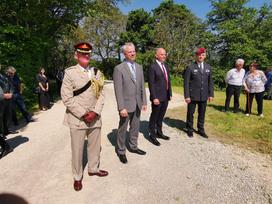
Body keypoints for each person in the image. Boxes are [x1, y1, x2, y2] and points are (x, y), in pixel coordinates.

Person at [61, 42, 108, 191]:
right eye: (82, 53)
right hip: (78, 119)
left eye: (88, 53)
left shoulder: (97, 72)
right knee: (77, 149)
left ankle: (93, 168)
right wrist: (83, 113)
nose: (86, 56)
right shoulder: (69, 73)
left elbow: (102, 94)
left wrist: (95, 112)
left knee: (94, 147)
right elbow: (66, 97)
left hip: (95, 117)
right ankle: (77, 176)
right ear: (76, 55)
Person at [113, 42, 147, 164]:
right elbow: (118, 90)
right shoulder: (119, 69)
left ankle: (133, 146)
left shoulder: (139, 67)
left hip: (137, 103)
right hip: (126, 106)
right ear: (124, 54)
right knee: (123, 129)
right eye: (130, 52)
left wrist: (144, 101)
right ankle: (121, 151)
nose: (133, 53)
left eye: (134, 51)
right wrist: (121, 107)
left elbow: (142, 85)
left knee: (135, 127)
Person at [184, 47, 214, 138]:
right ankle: (189, 129)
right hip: (193, 95)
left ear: (205, 56)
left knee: (202, 113)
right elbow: (186, 83)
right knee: (190, 113)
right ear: (196, 56)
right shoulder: (190, 67)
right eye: (199, 55)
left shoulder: (208, 67)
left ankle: (201, 129)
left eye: (202, 55)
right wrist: (187, 96)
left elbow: (210, 82)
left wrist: (211, 94)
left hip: (204, 95)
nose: (201, 56)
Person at [148, 48, 172, 146]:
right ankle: (152, 135)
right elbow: (151, 84)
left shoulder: (165, 66)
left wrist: (169, 93)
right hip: (157, 97)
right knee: (155, 116)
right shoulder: (152, 67)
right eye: (162, 54)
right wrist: (154, 97)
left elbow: (168, 80)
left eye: (165, 54)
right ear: (156, 55)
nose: (164, 56)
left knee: (161, 116)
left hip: (165, 96)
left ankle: (159, 132)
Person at [0, 70, 13, 158]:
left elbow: (10, 84)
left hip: (4, 100)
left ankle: (6, 147)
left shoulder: (3, 74)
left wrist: (7, 94)